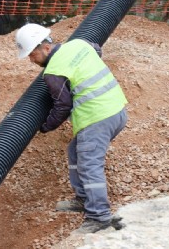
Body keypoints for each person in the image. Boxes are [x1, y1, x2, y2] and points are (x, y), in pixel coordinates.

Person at [15, 23, 128, 234]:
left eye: (32, 54)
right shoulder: (79, 43)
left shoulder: (54, 71)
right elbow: (97, 50)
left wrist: (45, 126)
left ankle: (99, 217)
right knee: (74, 151)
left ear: (45, 48)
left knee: (89, 166)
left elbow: (63, 106)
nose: (31, 60)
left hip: (96, 118)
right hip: (117, 110)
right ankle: (83, 199)